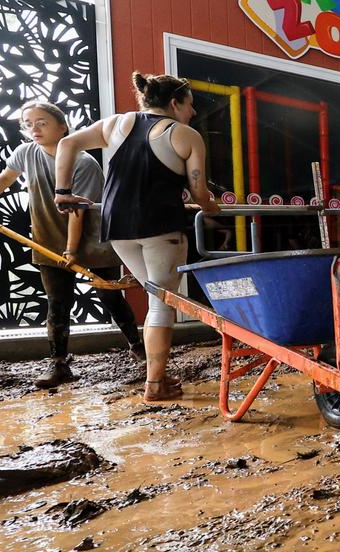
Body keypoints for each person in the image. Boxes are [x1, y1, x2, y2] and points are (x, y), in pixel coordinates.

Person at [55, 72, 221, 401]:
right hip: (161, 226)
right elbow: (199, 191)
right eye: (190, 105)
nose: (193, 112)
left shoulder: (116, 124)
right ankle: (155, 384)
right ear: (174, 102)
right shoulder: (185, 135)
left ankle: (157, 376)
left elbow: (66, 143)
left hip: (117, 227)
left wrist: (63, 191)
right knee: (161, 304)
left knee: (155, 298)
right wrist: (212, 208)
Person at [0, 101, 142, 389]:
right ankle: (59, 365)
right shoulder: (26, 153)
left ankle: (138, 349)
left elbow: (78, 210)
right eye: (28, 123)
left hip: (92, 239)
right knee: (57, 303)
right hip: (48, 239)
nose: (34, 129)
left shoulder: (82, 163)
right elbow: (4, 179)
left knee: (110, 297)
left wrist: (71, 250)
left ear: (62, 126)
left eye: (42, 122)